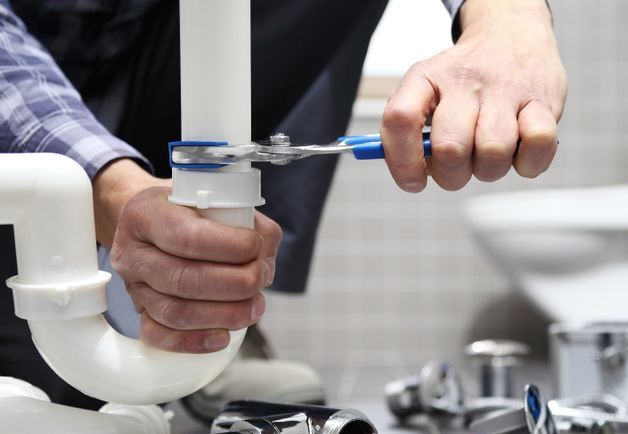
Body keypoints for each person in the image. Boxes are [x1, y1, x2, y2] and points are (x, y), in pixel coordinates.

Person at [0, 0, 567, 411]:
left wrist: (509, 22)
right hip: (22, 133)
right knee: (48, 404)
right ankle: (185, 287)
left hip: (152, 75)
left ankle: (210, 296)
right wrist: (111, 189)